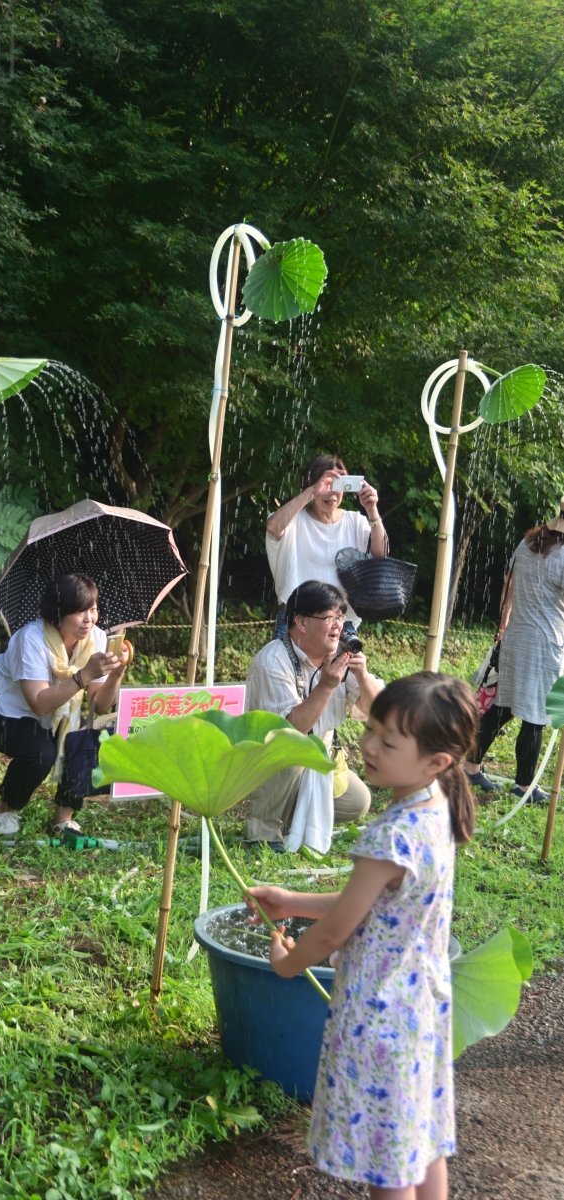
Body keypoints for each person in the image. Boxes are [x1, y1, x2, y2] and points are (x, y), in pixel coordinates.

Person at [248, 672, 479, 1200]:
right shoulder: (437, 805)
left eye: (388, 742)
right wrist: (291, 900)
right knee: (419, 1141)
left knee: (385, 1162)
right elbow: (375, 903)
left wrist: (286, 964)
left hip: (379, 1014)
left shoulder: (390, 833)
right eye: (371, 728)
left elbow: (335, 931)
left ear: (436, 761)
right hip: (421, 1007)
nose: (369, 746)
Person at [0, 573, 129, 839]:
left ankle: (63, 820)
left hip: (52, 710)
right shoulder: (31, 638)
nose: (89, 619)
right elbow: (39, 703)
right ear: (58, 613)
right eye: (79, 611)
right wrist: (84, 675)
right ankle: (6, 810)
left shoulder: (97, 640)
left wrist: (116, 674)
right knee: (40, 752)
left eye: (93, 609)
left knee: (81, 743)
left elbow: (100, 705)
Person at [244, 580, 381, 854]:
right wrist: (327, 686)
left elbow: (378, 712)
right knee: (295, 751)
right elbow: (291, 729)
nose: (338, 626)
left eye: (340, 617)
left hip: (319, 756)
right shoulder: (272, 661)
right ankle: (263, 831)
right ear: (302, 622)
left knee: (357, 801)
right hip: (272, 756)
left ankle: (294, 819)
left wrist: (363, 676)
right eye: (329, 618)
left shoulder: (340, 656)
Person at [465, 498, 564, 804]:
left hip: (516, 638)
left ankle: (470, 768)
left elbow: (508, 585)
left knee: (503, 707)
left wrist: (505, 622)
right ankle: (524, 787)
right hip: (545, 644)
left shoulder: (528, 543)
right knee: (536, 715)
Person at [266, 453, 387, 637]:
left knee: (345, 658)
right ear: (311, 484)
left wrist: (372, 510)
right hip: (298, 619)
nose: (331, 493)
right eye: (326, 485)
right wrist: (312, 492)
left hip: (342, 622)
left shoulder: (355, 521)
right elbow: (273, 528)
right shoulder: (294, 519)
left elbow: (381, 554)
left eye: (338, 484)